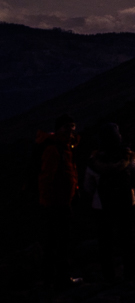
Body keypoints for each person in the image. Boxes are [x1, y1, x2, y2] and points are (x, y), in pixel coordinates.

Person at [84, 123, 135, 283]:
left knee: (105, 242)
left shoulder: (94, 162)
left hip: (102, 206)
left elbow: (88, 187)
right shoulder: (128, 158)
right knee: (127, 239)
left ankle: (108, 276)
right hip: (126, 203)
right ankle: (130, 273)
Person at [36, 113, 79, 288]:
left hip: (61, 202)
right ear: (58, 129)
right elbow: (46, 178)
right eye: (66, 127)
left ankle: (54, 278)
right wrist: (48, 203)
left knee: (57, 241)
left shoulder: (64, 147)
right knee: (58, 241)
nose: (70, 131)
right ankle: (60, 278)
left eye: (72, 127)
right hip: (56, 204)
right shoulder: (54, 149)